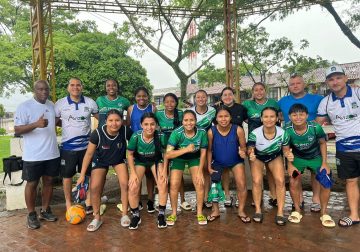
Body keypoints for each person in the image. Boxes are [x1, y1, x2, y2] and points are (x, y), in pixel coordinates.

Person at [317, 65, 360, 227]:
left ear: (346, 78)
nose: (335, 82)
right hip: (343, 147)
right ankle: (354, 215)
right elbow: (317, 125)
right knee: (351, 181)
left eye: (338, 77)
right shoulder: (326, 102)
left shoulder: (357, 93)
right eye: (331, 79)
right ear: (327, 82)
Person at [14, 80, 60, 230]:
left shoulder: (51, 105)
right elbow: (17, 130)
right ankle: (31, 214)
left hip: (52, 152)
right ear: (34, 90)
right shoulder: (24, 106)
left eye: (46, 89)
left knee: (48, 182)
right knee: (32, 184)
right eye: (40, 89)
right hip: (33, 155)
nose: (44, 92)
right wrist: (35, 124)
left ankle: (45, 210)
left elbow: (57, 121)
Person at [76, 109, 132, 231]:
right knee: (94, 187)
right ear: (106, 121)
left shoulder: (125, 130)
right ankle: (97, 218)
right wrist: (82, 175)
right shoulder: (97, 133)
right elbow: (88, 154)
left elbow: (135, 145)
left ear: (121, 121)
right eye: (111, 120)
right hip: (100, 160)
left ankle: (125, 214)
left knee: (125, 183)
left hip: (118, 159)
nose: (114, 123)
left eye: (117, 120)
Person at [278, 74, 323, 212]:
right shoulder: (282, 101)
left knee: (316, 172)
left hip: (313, 143)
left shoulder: (318, 99)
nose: (295, 86)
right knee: (295, 173)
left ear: (304, 84)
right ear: (289, 86)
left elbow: (323, 115)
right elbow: (278, 116)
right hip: (292, 145)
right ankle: (299, 198)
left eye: (298, 83)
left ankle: (316, 198)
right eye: (292, 84)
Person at [285, 104, 335, 227]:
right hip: (298, 159)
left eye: (301, 114)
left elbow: (323, 143)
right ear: (289, 116)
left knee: (325, 180)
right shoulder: (287, 129)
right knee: (293, 180)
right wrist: (290, 165)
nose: (298, 117)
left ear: (307, 115)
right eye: (294, 115)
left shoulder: (315, 127)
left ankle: (324, 213)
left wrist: (324, 163)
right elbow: (286, 149)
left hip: (316, 158)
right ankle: (297, 210)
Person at [55, 77, 98, 213]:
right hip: (68, 148)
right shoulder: (60, 103)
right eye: (72, 85)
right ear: (68, 87)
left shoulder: (90, 102)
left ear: (82, 87)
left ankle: (88, 201)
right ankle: (69, 203)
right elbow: (55, 121)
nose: (75, 87)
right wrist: (68, 125)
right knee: (67, 176)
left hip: (87, 148)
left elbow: (101, 120)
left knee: (89, 175)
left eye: (78, 85)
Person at [247, 107, 293, 226]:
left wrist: (289, 155)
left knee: (280, 180)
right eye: (266, 117)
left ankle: (280, 212)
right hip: (258, 157)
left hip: (274, 156)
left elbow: (286, 151)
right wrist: (250, 154)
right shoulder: (254, 133)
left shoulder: (283, 133)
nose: (269, 119)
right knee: (256, 181)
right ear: (261, 119)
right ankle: (257, 210)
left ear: (277, 118)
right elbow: (250, 148)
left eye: (272, 116)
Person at [207, 106, 250, 223]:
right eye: (220, 116)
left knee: (241, 184)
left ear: (230, 117)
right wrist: (209, 166)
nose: (223, 119)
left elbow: (243, 148)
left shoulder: (238, 130)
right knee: (214, 184)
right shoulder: (211, 132)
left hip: (236, 161)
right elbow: (209, 150)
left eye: (226, 116)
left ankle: (241, 210)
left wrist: (243, 152)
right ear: (216, 118)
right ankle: (215, 210)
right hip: (218, 161)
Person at [165, 110, 208, 226]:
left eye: (192, 120)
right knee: (174, 184)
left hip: (194, 158)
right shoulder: (176, 133)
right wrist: (186, 149)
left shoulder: (202, 132)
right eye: (186, 120)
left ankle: (199, 212)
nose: (189, 123)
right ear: (182, 121)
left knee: (199, 183)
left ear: (195, 121)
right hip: (179, 157)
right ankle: (173, 213)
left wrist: (200, 171)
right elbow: (168, 154)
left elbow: (203, 152)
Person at [127, 113, 168, 229]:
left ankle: (161, 214)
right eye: (146, 124)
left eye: (152, 124)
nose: (149, 127)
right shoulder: (136, 136)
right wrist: (133, 173)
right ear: (141, 125)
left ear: (156, 125)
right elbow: (129, 154)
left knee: (163, 183)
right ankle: (135, 215)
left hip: (155, 160)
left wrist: (164, 170)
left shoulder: (160, 135)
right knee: (133, 185)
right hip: (140, 161)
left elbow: (166, 153)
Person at [243, 82, 280, 207]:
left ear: (265, 90)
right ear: (252, 92)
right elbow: (243, 118)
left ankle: (273, 195)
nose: (259, 92)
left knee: (271, 170)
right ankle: (256, 197)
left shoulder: (273, 103)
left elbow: (279, 118)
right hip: (254, 143)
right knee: (256, 174)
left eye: (261, 89)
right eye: (256, 90)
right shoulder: (247, 104)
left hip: (272, 142)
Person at [155, 93, 190, 211]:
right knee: (165, 175)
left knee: (178, 176)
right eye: (167, 102)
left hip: (177, 148)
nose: (169, 104)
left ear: (176, 103)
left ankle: (183, 200)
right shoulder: (159, 114)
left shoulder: (180, 114)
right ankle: (165, 201)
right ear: (163, 103)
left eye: (172, 101)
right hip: (163, 148)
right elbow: (153, 127)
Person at [214, 87, 248, 207]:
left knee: (240, 175)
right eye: (225, 95)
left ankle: (240, 197)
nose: (227, 97)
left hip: (238, 144)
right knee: (225, 172)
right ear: (221, 97)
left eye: (230, 94)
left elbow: (249, 121)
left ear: (233, 95)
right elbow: (214, 127)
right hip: (222, 144)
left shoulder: (241, 108)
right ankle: (227, 195)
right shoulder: (216, 109)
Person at [127, 87, 157, 212]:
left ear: (148, 96)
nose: (141, 98)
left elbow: (154, 124)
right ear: (135, 97)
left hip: (150, 144)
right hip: (136, 144)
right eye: (139, 96)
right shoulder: (131, 108)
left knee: (150, 175)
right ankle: (137, 200)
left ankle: (150, 200)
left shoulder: (153, 108)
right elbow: (128, 125)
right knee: (136, 176)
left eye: (144, 96)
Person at [189, 90, 215, 208]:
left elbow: (218, 124)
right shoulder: (190, 112)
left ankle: (206, 198)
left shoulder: (212, 111)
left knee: (206, 170)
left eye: (203, 97)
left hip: (207, 144)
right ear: (195, 99)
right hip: (193, 145)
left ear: (207, 98)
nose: (200, 99)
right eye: (198, 97)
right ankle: (198, 198)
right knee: (196, 172)